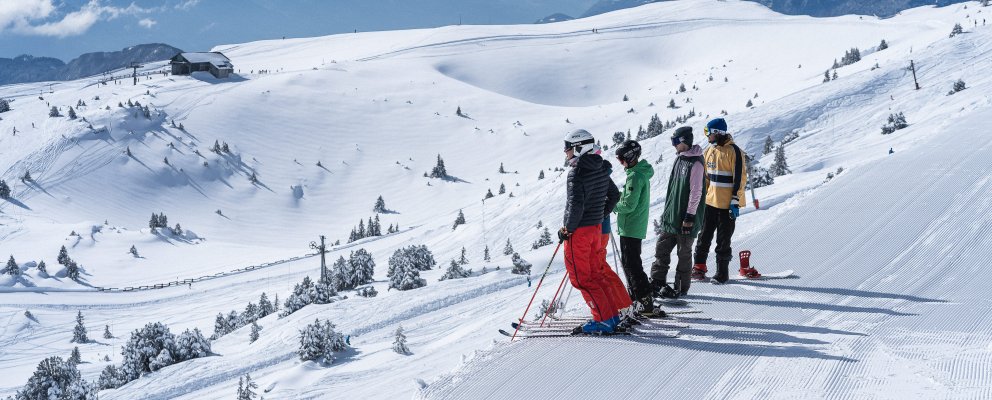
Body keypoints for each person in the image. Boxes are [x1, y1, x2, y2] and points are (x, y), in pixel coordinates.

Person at [559, 129, 620, 334]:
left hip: (580, 233)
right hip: (595, 229)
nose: (565, 152)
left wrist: (567, 229)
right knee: (595, 274)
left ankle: (603, 320)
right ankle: (611, 316)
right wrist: (599, 214)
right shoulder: (601, 167)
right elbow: (614, 195)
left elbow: (575, 205)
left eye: (568, 148)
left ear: (579, 148)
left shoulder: (577, 172)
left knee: (582, 279)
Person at [692, 118, 761, 283]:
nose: (707, 136)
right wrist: (702, 197)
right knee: (704, 236)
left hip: (727, 205)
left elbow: (740, 178)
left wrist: (735, 200)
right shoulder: (709, 151)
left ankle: (722, 273)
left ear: (717, 132)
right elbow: (706, 178)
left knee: (723, 240)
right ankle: (699, 267)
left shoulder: (733, 151)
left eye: (708, 132)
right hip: (710, 202)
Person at [650, 127, 705, 297]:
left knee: (683, 254)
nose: (673, 145)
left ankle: (681, 288)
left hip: (686, 218)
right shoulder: (679, 159)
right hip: (672, 217)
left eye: (675, 142)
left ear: (684, 141)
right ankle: (657, 282)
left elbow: (696, 192)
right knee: (662, 249)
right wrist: (667, 213)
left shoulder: (696, 163)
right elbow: (672, 190)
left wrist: (689, 217)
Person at [612, 139, 658, 315]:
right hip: (633, 225)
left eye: (621, 159)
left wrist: (612, 206)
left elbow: (629, 205)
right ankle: (639, 298)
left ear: (630, 157)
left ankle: (644, 301)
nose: (620, 163)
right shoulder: (638, 173)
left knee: (632, 264)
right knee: (630, 263)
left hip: (631, 225)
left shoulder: (635, 176)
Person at [598, 152, 634, 315]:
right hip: (598, 227)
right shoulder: (600, 172)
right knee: (599, 266)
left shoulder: (598, 173)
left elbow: (614, 196)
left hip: (597, 228)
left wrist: (603, 213)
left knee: (599, 267)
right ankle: (620, 304)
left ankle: (621, 305)